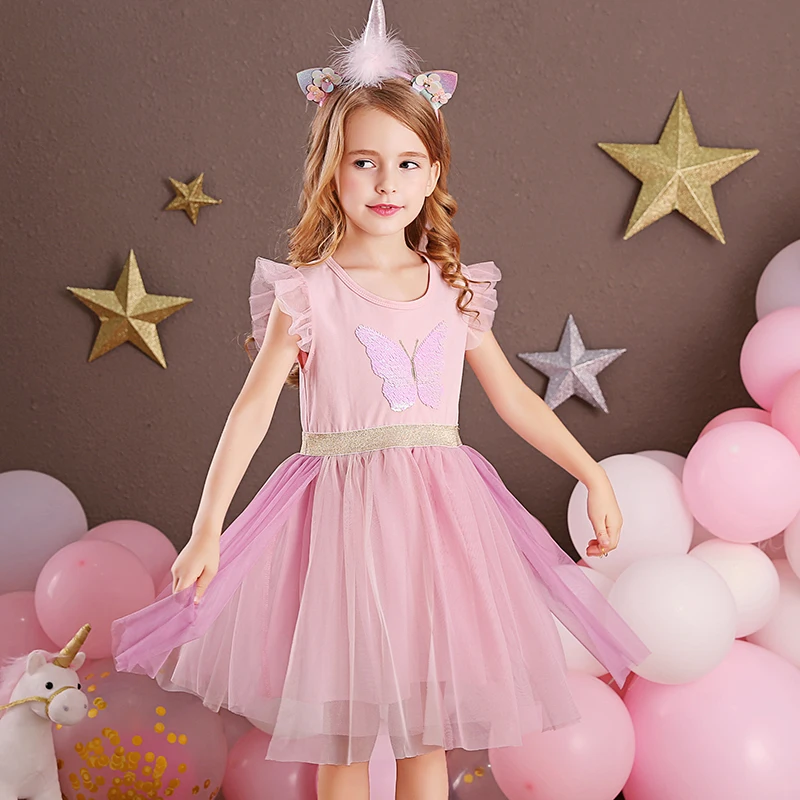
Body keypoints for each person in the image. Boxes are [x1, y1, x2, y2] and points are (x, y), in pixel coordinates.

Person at [111, 2, 651, 797]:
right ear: (332, 170)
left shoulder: (454, 289)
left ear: (434, 173)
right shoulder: (309, 294)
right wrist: (207, 527)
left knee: (424, 734)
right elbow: (252, 411)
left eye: (406, 163)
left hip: (438, 528)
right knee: (346, 736)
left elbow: (513, 399)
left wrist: (592, 473)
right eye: (364, 162)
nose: (387, 182)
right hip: (340, 525)